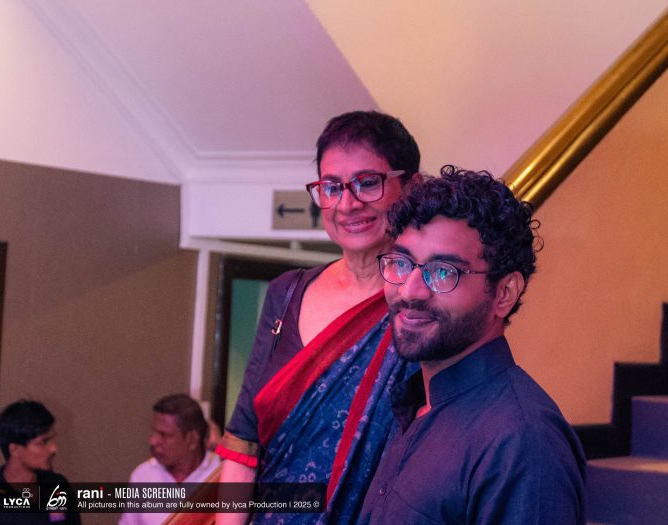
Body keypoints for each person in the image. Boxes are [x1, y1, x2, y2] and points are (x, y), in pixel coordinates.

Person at [216, 111, 421, 525]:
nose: (347, 204)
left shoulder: (425, 301)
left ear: (411, 187)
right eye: (331, 187)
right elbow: (243, 445)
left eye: (367, 182)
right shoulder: (286, 293)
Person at [359, 166, 586, 524]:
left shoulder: (522, 443)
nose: (410, 291)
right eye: (401, 263)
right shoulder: (414, 403)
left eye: (443, 272)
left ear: (504, 293)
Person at [119, 393, 220, 525]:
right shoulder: (143, 475)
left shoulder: (220, 474)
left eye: (164, 435)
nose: (153, 441)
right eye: (154, 432)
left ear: (192, 439)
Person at [0, 399, 81, 524]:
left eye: (52, 440)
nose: (53, 448)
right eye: (43, 442)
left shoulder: (57, 485)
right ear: (15, 449)